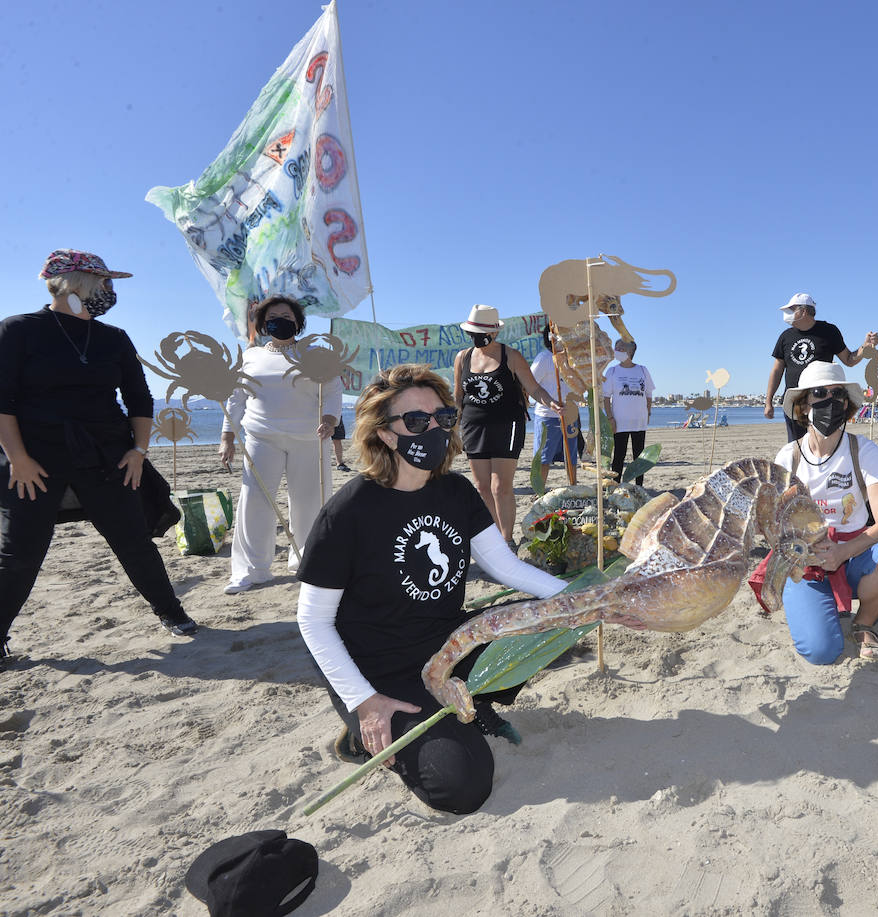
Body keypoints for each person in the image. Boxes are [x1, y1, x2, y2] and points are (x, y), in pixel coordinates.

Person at [296, 364, 572, 813]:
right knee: (461, 787)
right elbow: (313, 620)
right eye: (416, 421)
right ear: (386, 435)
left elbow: (505, 565)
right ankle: (361, 730)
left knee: (550, 626)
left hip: (446, 647)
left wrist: (580, 600)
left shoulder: (457, 492)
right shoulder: (348, 513)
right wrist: (364, 702)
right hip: (378, 667)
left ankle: (473, 701)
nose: (434, 430)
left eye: (443, 418)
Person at [0, 249, 197, 666]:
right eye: (103, 283)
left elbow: (140, 400)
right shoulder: (18, 330)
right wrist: (17, 457)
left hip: (109, 457)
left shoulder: (114, 338)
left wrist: (139, 451)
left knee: (134, 542)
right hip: (34, 459)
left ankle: (171, 612)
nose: (109, 291)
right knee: (20, 553)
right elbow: (4, 402)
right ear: (75, 284)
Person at [774, 362, 878, 663]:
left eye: (838, 395)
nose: (829, 402)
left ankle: (864, 623)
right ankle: (812, 603)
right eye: (819, 393)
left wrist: (843, 551)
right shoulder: (789, 457)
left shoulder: (864, 450)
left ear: (847, 405)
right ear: (803, 405)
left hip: (856, 550)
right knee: (822, 652)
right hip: (807, 554)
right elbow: (776, 523)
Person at [219, 296, 342, 595]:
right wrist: (227, 436)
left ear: (298, 322)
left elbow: (334, 389)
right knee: (255, 501)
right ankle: (252, 570)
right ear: (263, 324)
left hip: (311, 437)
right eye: (272, 316)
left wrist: (330, 420)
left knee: (309, 503)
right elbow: (236, 397)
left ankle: (305, 561)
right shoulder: (251, 357)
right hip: (262, 437)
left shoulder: (315, 355)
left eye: (286, 315)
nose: (280, 319)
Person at [454, 305, 559, 543]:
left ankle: (507, 539)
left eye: (480, 332)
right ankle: (495, 539)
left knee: (500, 487)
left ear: (494, 332)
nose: (475, 337)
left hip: (507, 426)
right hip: (473, 426)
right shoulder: (462, 357)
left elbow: (534, 388)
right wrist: (453, 428)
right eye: (472, 332)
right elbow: (458, 396)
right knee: (482, 488)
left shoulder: (510, 356)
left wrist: (552, 403)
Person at [763, 293, 878, 441]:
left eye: (791, 310)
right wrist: (768, 402)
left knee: (824, 442)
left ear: (803, 311)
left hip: (823, 400)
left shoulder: (829, 331)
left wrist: (865, 347)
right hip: (795, 402)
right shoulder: (785, 336)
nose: (787, 314)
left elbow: (849, 360)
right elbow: (776, 370)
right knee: (797, 445)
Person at [530, 323, 579, 489]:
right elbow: (530, 385)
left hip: (570, 415)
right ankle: (539, 491)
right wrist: (551, 403)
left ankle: (572, 487)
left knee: (571, 457)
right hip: (547, 417)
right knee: (544, 457)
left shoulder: (571, 359)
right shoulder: (544, 358)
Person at [602, 338, 654, 486]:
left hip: (639, 421)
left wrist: (648, 413)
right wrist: (610, 418)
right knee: (619, 456)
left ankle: (639, 488)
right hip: (619, 422)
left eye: (620, 348)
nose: (616, 351)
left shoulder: (643, 370)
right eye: (615, 348)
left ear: (630, 351)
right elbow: (606, 398)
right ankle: (615, 487)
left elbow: (648, 395)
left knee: (640, 458)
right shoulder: (612, 371)